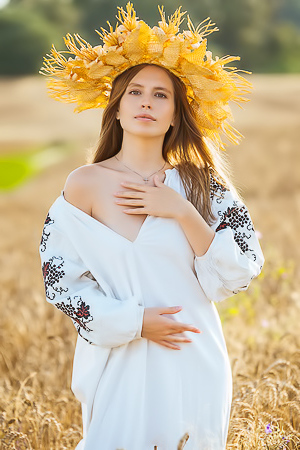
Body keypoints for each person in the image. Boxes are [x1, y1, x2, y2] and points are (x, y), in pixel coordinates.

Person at [39, 4, 264, 449]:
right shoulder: (84, 184)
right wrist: (135, 322)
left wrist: (180, 210)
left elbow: (240, 270)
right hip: (121, 357)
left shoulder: (204, 184)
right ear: (117, 109)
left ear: (176, 114)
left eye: (161, 95)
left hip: (194, 355)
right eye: (135, 92)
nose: (147, 101)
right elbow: (60, 282)